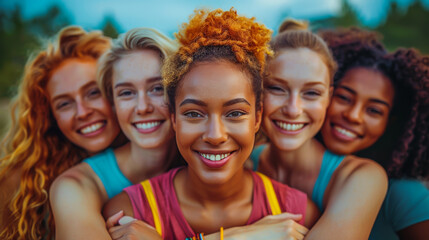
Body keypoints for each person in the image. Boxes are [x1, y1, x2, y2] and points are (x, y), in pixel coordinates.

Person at [103, 8, 319, 240]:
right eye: (194, 114)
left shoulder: (296, 214)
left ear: (257, 117)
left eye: (235, 113)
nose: (215, 136)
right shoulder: (131, 214)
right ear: (174, 118)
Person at [249, 20, 388, 239]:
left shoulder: (360, 178)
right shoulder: (244, 161)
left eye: (311, 93)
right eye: (277, 88)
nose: (293, 110)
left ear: (328, 98)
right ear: (257, 93)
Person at [49, 28, 182, 239]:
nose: (142, 107)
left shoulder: (206, 161)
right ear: (113, 103)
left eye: (157, 88)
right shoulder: (74, 188)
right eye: (126, 93)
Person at [0, 26, 121, 239]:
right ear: (50, 117)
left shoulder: (160, 161)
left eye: (93, 92)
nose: (82, 112)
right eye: (64, 104)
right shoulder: (22, 185)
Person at [319, 27, 429, 240]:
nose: (354, 116)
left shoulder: (403, 194)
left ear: (391, 123)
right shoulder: (279, 167)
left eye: (374, 111)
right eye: (344, 97)